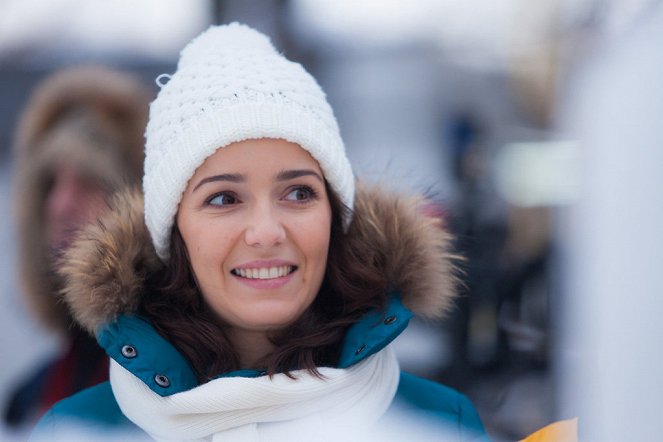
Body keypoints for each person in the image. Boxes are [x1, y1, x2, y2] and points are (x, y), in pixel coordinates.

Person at [31, 24, 490, 441]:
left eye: (298, 193)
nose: (266, 232)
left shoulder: (441, 425)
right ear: (173, 232)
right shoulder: (75, 431)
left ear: (336, 214)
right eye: (224, 199)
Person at [4, 66, 151, 428]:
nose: (59, 205)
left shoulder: (180, 387)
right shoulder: (27, 401)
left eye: (87, 181)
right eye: (51, 182)